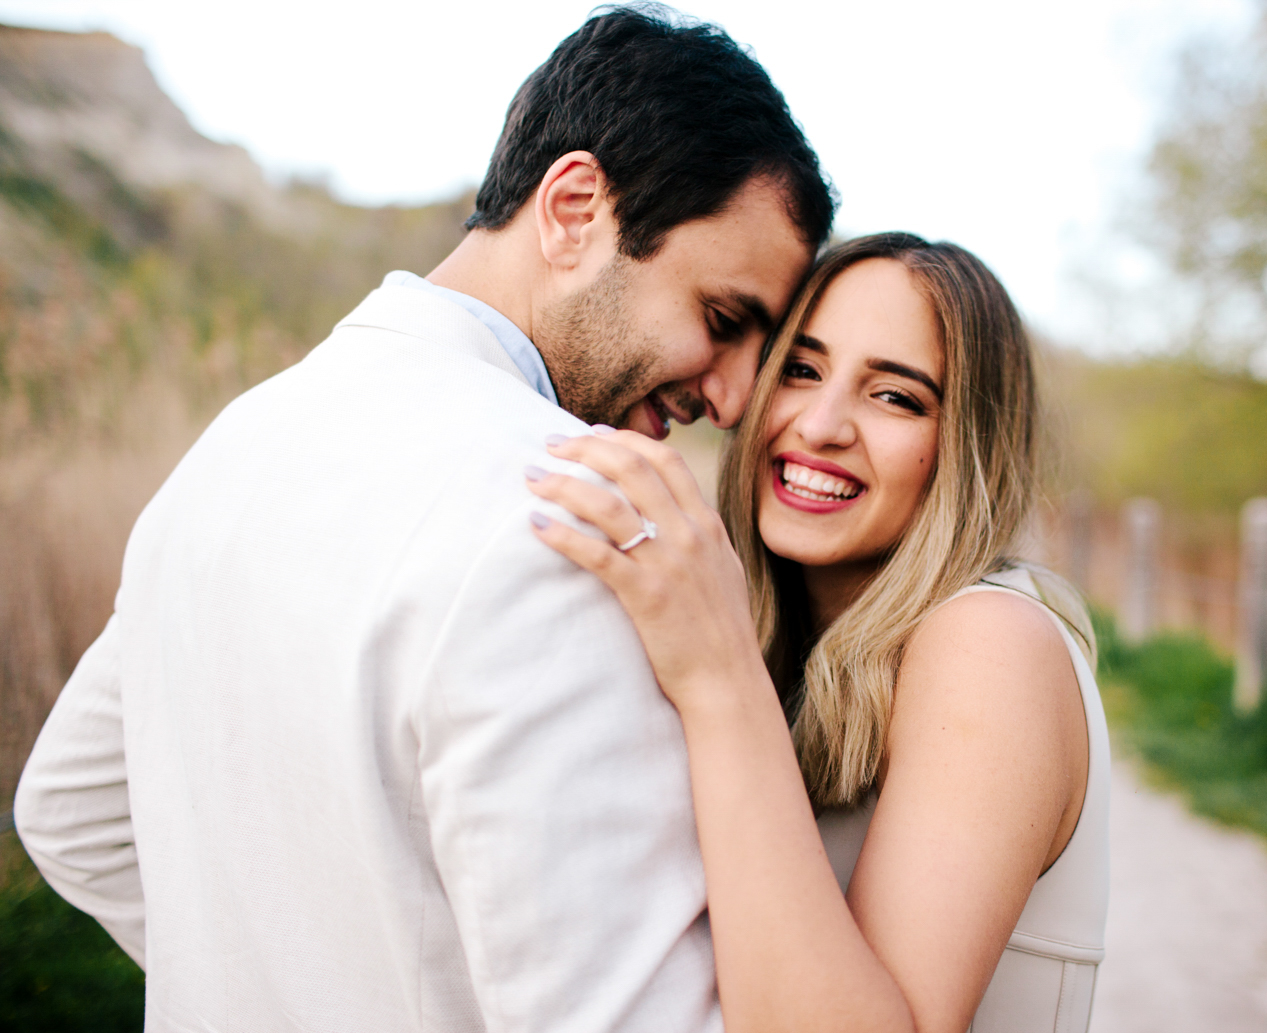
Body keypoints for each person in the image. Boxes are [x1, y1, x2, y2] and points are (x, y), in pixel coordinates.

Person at [13, 8, 833, 1032]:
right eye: (721, 321)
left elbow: (69, 815)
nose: (733, 397)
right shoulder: (570, 517)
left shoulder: (226, 448)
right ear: (575, 207)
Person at [527, 233, 1110, 1033]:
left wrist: (718, 674)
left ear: (965, 446)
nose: (823, 424)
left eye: (896, 396)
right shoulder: (789, 647)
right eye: (800, 370)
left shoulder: (991, 641)